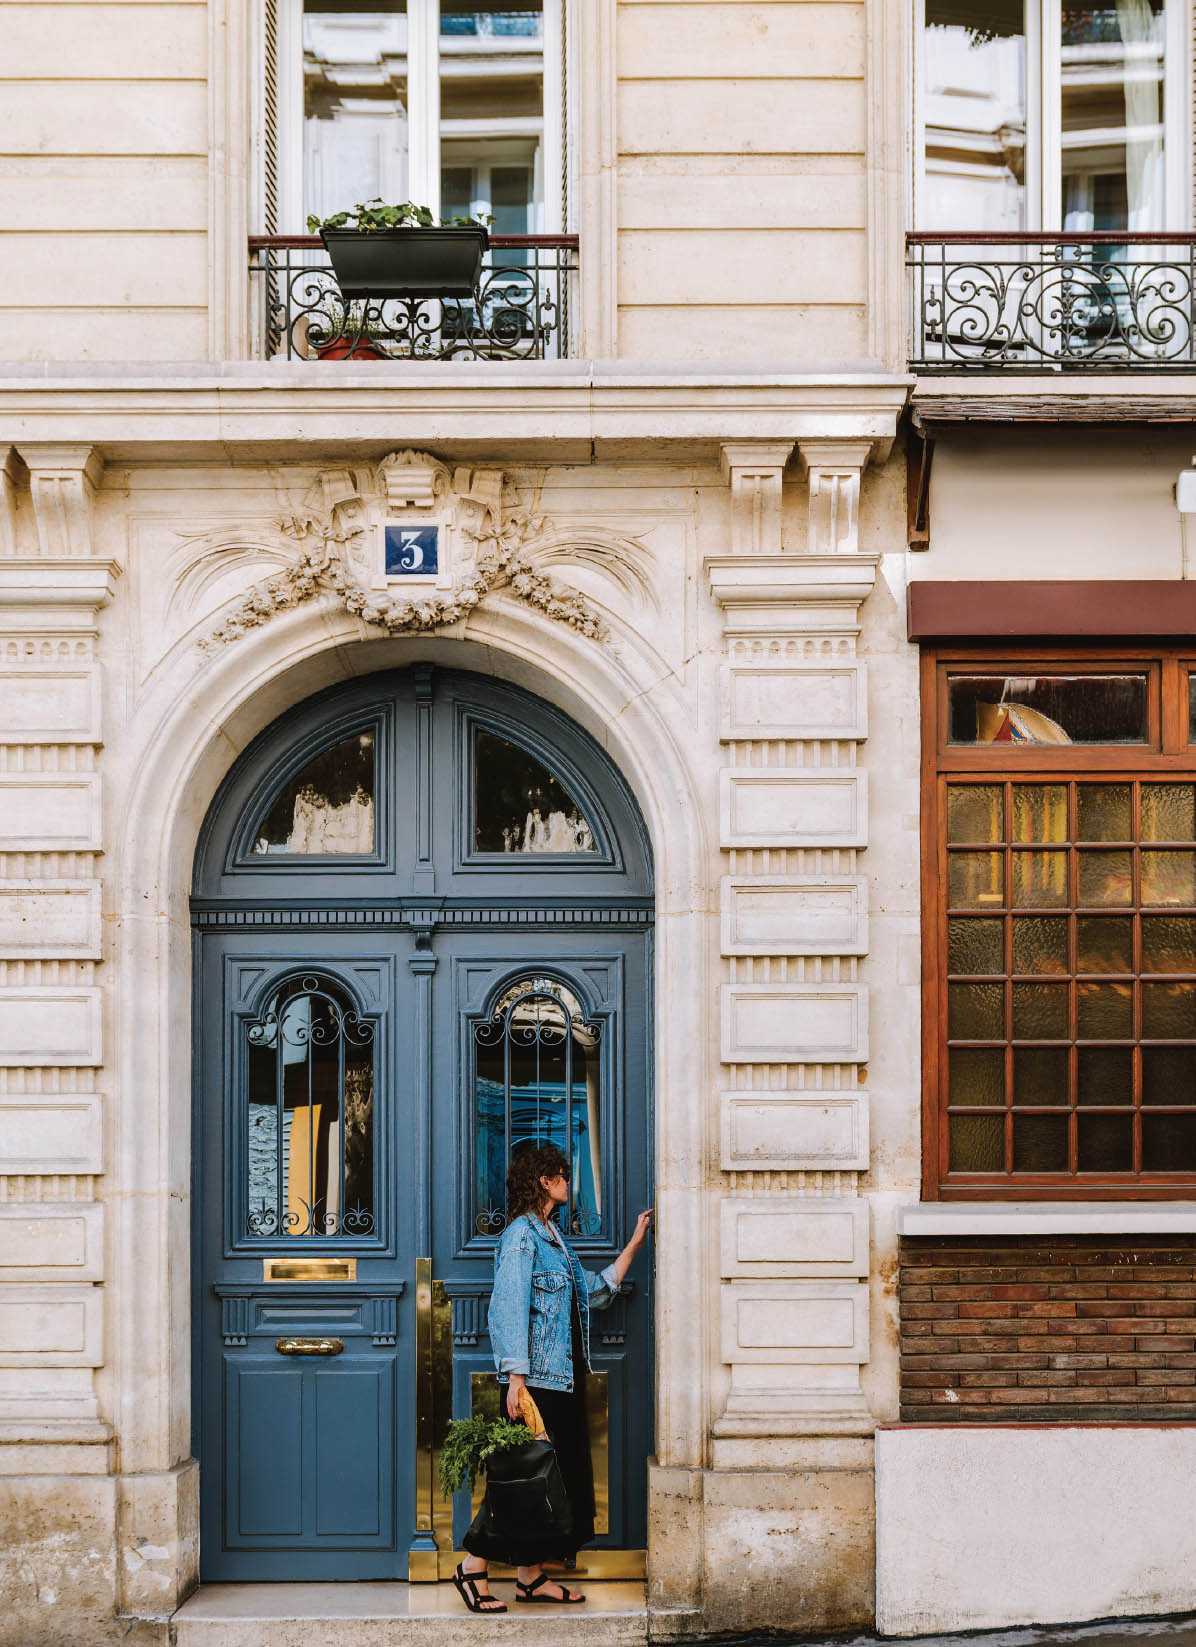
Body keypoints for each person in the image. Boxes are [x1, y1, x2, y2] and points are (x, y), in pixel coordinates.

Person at [452, 1144, 652, 1613]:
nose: (568, 1180)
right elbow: (506, 1310)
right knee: (521, 1481)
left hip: (560, 1380)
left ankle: (530, 1577)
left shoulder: (551, 1237)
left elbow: (593, 1292)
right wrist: (516, 1381)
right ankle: (472, 1567)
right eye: (562, 1174)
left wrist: (635, 1244)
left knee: (547, 1483)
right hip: (536, 1383)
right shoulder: (521, 1237)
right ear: (544, 1180)